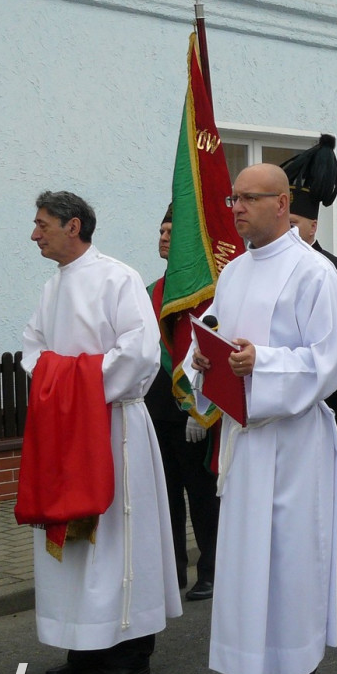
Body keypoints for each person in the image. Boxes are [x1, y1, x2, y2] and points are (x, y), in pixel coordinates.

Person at [185, 163, 337, 674]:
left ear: (281, 204)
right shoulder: (234, 271)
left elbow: (333, 359)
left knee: (289, 561)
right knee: (244, 560)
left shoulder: (314, 273)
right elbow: (213, 335)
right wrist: (203, 359)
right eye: (233, 198)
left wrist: (264, 362)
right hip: (245, 439)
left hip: (293, 441)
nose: (235, 208)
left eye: (248, 198)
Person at [20, 191, 181, 674]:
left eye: (43, 224)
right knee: (71, 540)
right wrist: (62, 387)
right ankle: (84, 643)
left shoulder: (118, 278)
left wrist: (75, 385)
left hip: (113, 428)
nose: (34, 234)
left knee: (115, 538)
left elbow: (141, 351)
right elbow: (33, 349)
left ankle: (131, 650)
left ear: (73, 226)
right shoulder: (53, 287)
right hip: (65, 428)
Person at [282, 134, 337, 587]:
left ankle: (332, 568)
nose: (290, 231)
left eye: (296, 223)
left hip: (321, 397)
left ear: (313, 226)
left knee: (323, 484)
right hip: (277, 398)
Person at [144, 204, 220, 601]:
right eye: (161, 231)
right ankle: (171, 572)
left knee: (202, 496)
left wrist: (200, 407)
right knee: (165, 497)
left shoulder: (205, 293)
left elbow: (211, 353)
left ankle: (211, 570)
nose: (163, 238)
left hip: (192, 414)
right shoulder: (150, 292)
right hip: (155, 411)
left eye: (171, 233)